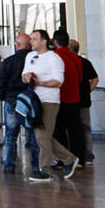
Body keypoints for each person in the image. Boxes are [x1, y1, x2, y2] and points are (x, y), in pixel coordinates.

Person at [21, 29, 79, 179]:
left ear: (44, 41)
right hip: (34, 101)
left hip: (49, 101)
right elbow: (24, 75)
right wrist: (26, 77)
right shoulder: (30, 56)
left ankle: (44, 170)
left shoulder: (54, 58)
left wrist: (40, 83)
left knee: (42, 136)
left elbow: (59, 81)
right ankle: (69, 159)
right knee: (42, 136)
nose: (31, 42)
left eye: (34, 39)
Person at [0, 33, 36, 175]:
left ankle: (8, 164)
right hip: (30, 101)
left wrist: (2, 97)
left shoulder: (8, 61)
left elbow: (1, 81)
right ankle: (36, 167)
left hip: (12, 100)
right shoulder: (34, 61)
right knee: (32, 134)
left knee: (10, 134)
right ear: (30, 45)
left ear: (17, 45)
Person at [52, 31, 88, 169]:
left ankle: (63, 161)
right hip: (75, 99)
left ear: (55, 42)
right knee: (76, 132)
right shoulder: (76, 58)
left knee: (59, 131)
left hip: (61, 99)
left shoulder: (55, 57)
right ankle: (79, 160)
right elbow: (79, 79)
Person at [70, 39, 98, 165]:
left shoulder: (66, 61)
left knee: (70, 127)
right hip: (84, 100)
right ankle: (88, 155)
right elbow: (95, 80)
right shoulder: (85, 62)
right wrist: (87, 91)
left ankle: (71, 155)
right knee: (85, 127)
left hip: (70, 100)